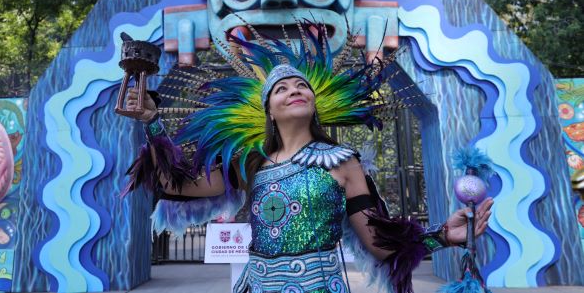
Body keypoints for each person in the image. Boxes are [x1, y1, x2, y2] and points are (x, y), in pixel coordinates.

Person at [118, 28, 493, 293]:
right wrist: (152, 121)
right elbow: (175, 184)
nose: (294, 90)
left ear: (313, 102)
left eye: (302, 86)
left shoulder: (342, 162)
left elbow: (379, 244)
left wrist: (443, 237)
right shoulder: (251, 162)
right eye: (281, 88)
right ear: (269, 110)